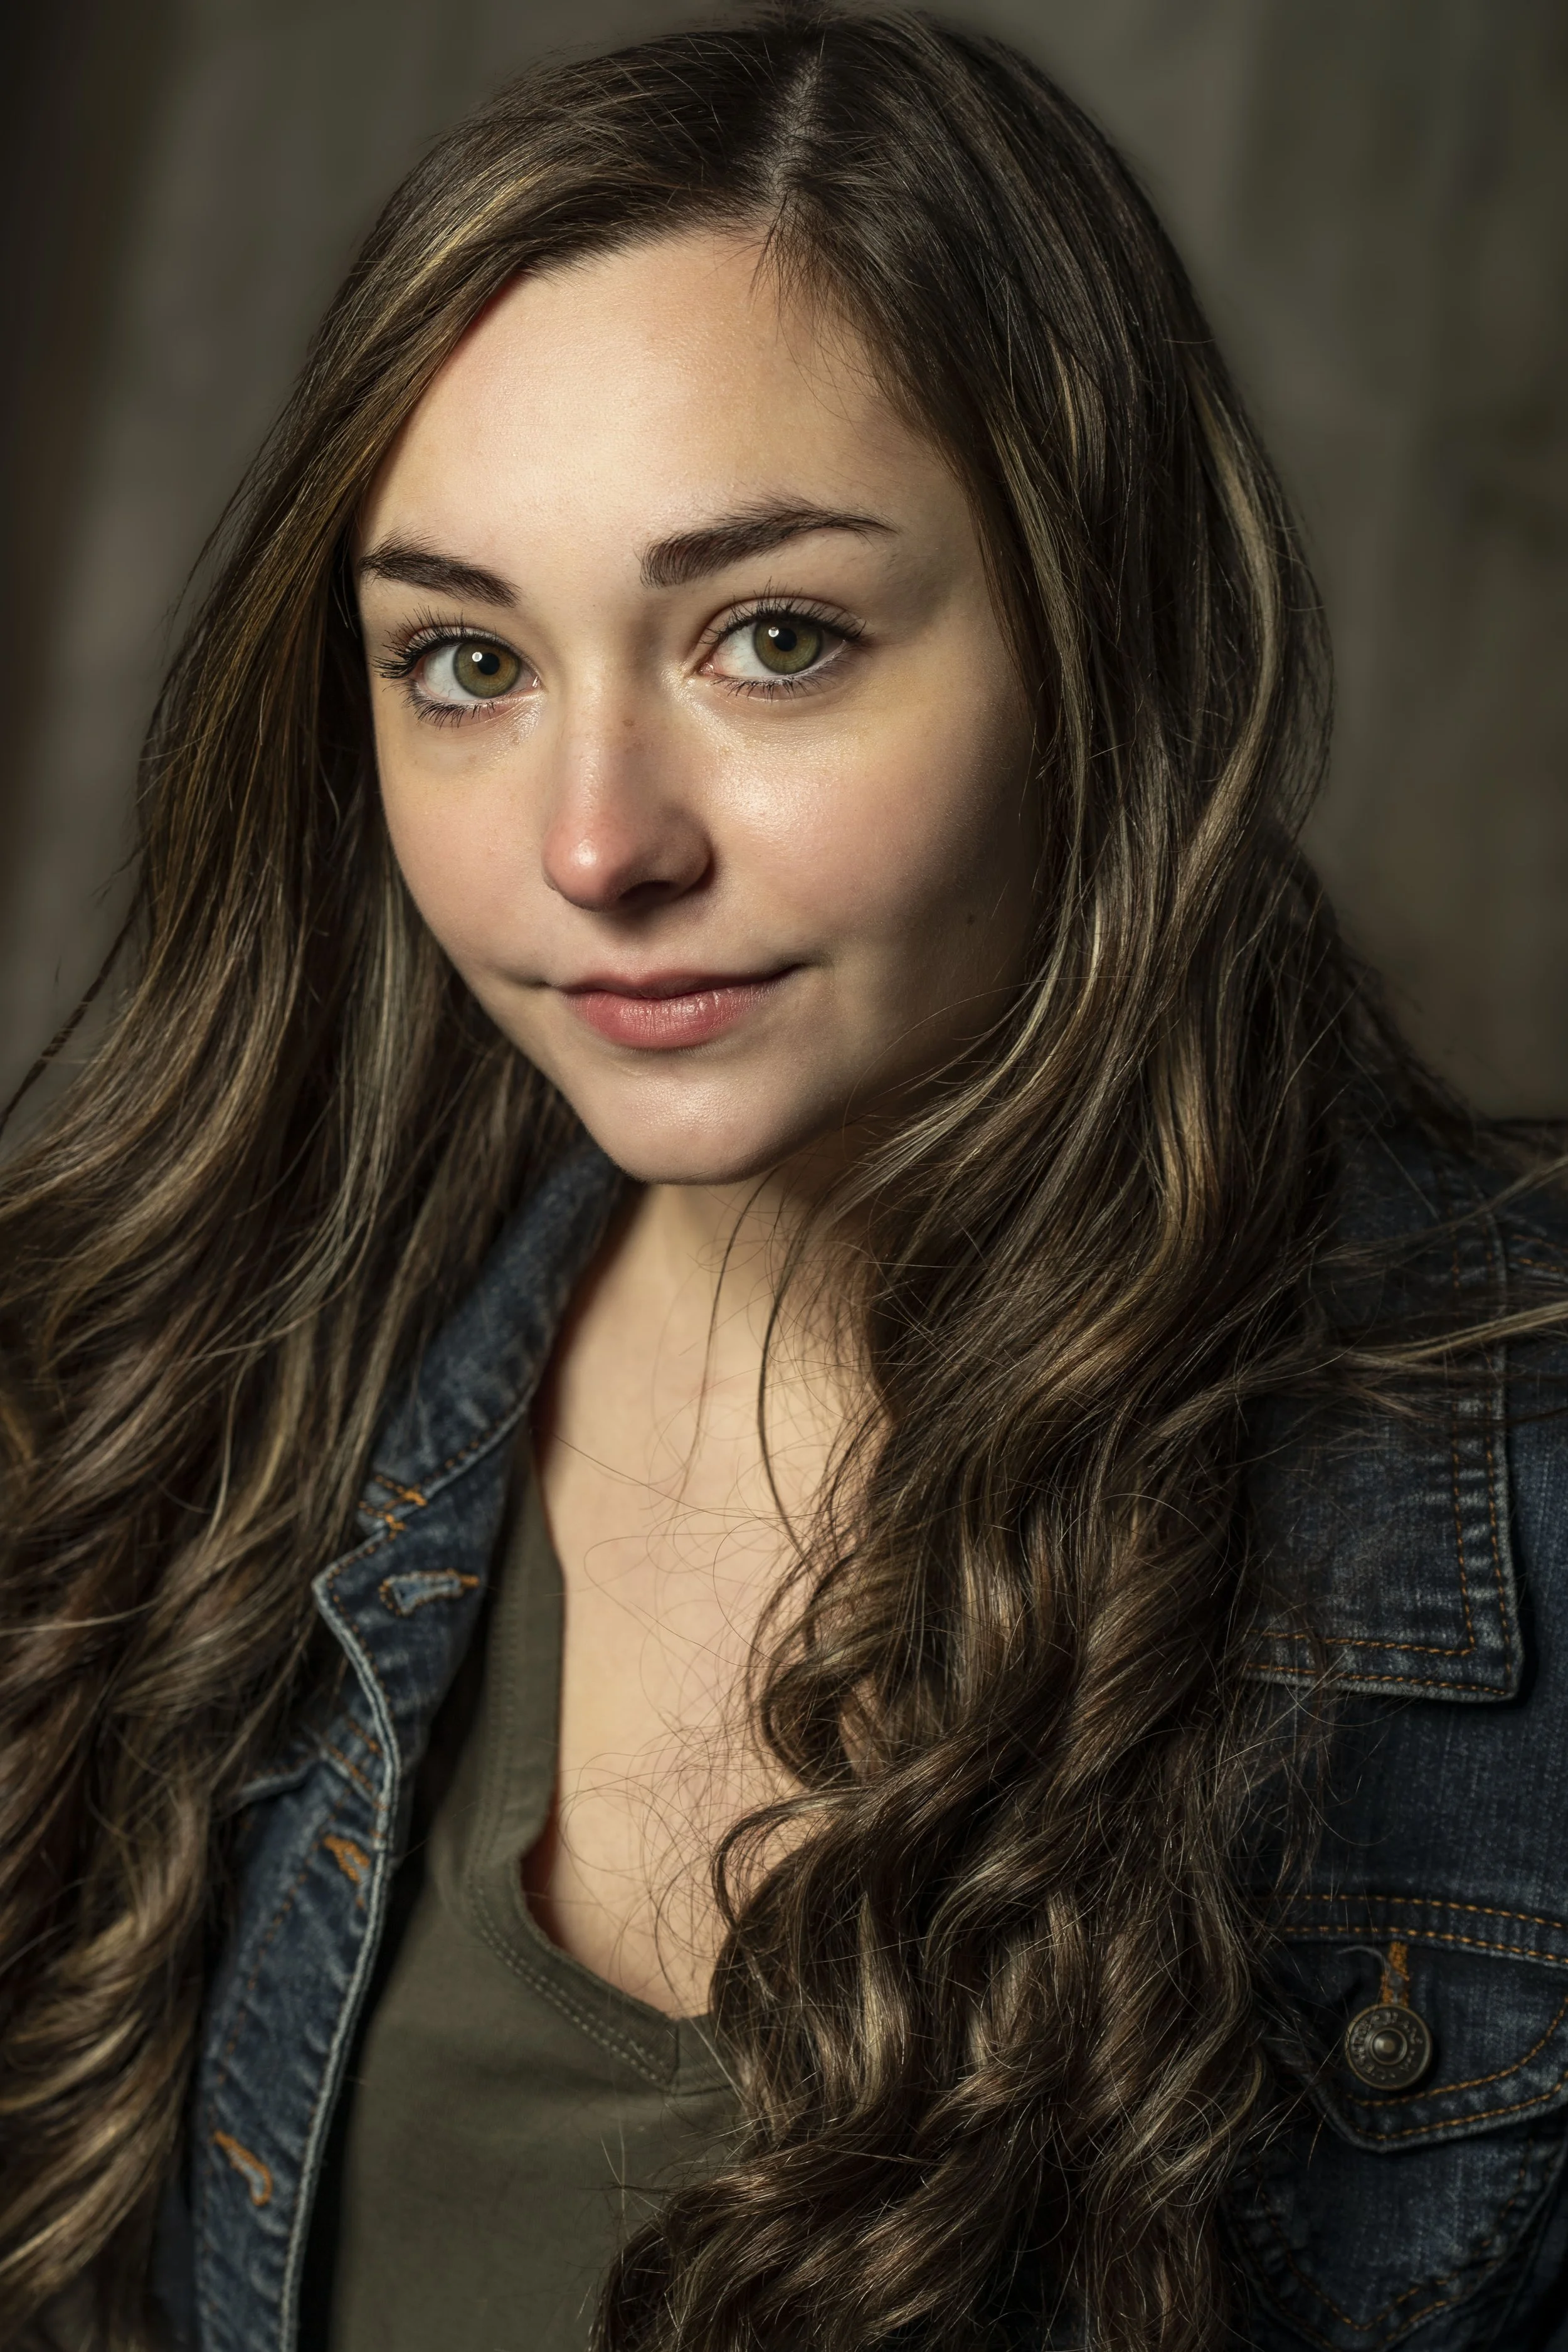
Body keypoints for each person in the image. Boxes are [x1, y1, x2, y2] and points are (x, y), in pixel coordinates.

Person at [3, 8, 1566, 2349]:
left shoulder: (1525, 1512)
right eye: (461, 660)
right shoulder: (184, 1399)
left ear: (1095, 642)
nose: (594, 841)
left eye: (771, 636)